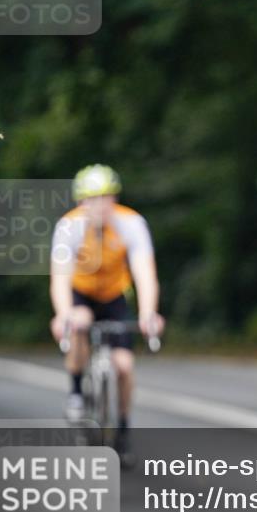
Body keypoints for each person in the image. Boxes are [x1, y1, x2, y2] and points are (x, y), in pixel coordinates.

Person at [49, 164, 165, 467]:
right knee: (80, 322)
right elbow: (59, 277)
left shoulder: (131, 223)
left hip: (114, 294)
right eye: (91, 199)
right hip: (80, 292)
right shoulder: (69, 227)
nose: (99, 206)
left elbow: (144, 273)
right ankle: (76, 391)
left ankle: (123, 428)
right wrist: (63, 315)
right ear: (80, 202)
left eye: (105, 198)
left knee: (124, 366)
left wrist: (148, 312)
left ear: (114, 199)